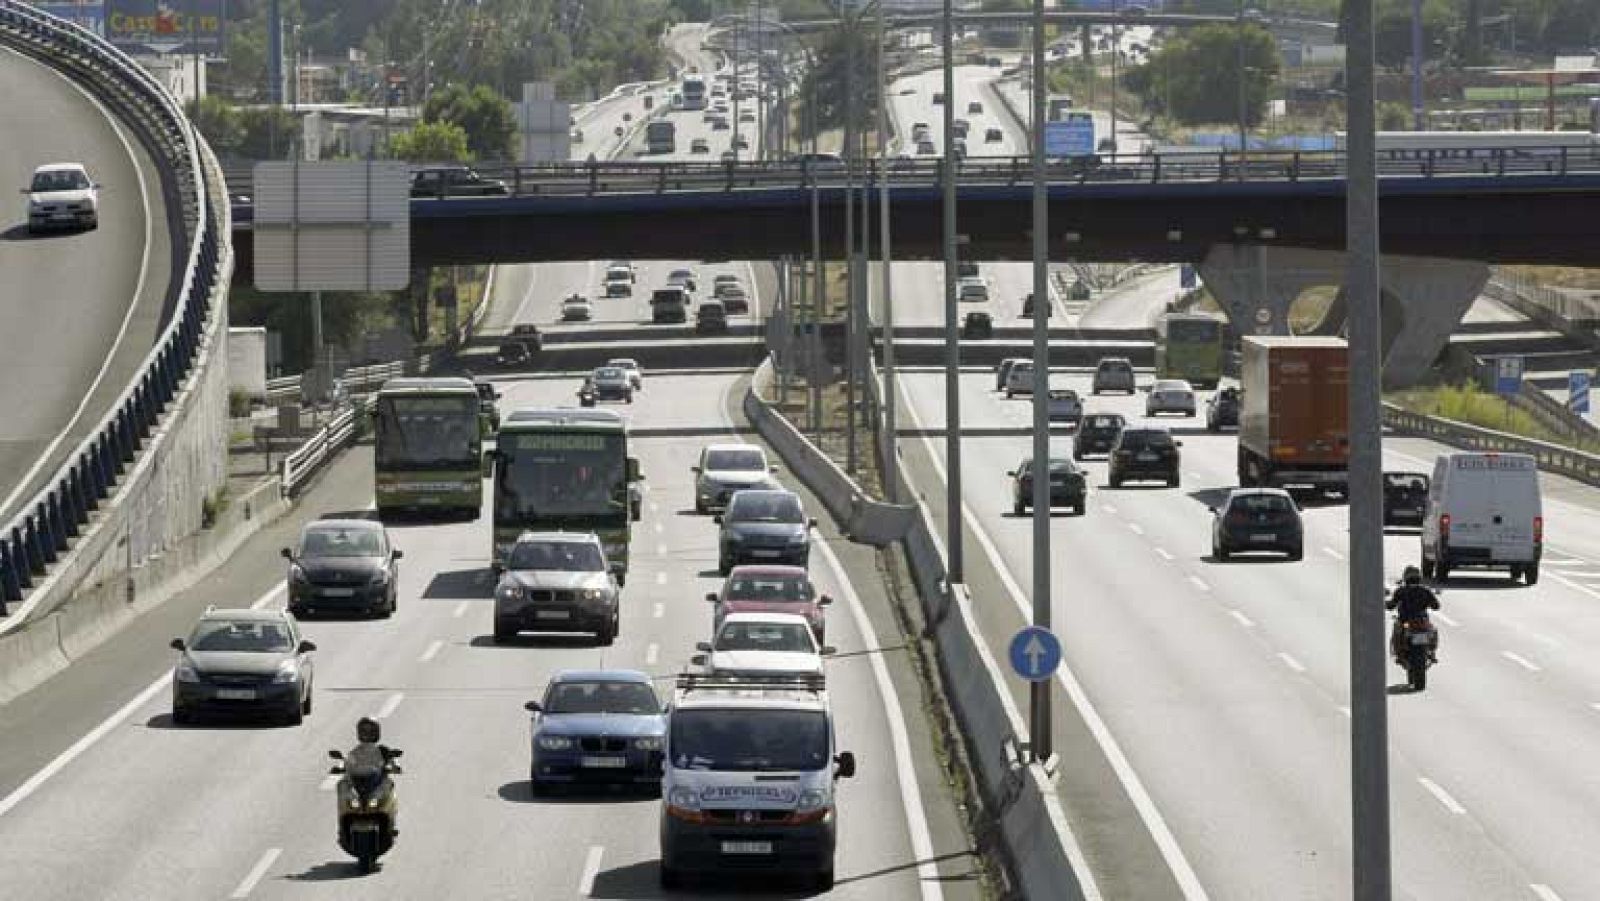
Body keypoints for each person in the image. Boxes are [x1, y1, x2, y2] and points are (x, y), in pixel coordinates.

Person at [1386, 565, 1440, 661]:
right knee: (1430, 628)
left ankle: (1400, 653)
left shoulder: (1401, 591)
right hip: (1420, 621)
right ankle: (1431, 652)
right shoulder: (1425, 591)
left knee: (1398, 626)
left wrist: (1386, 603)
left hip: (1406, 620)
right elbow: (1436, 606)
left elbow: (1391, 605)